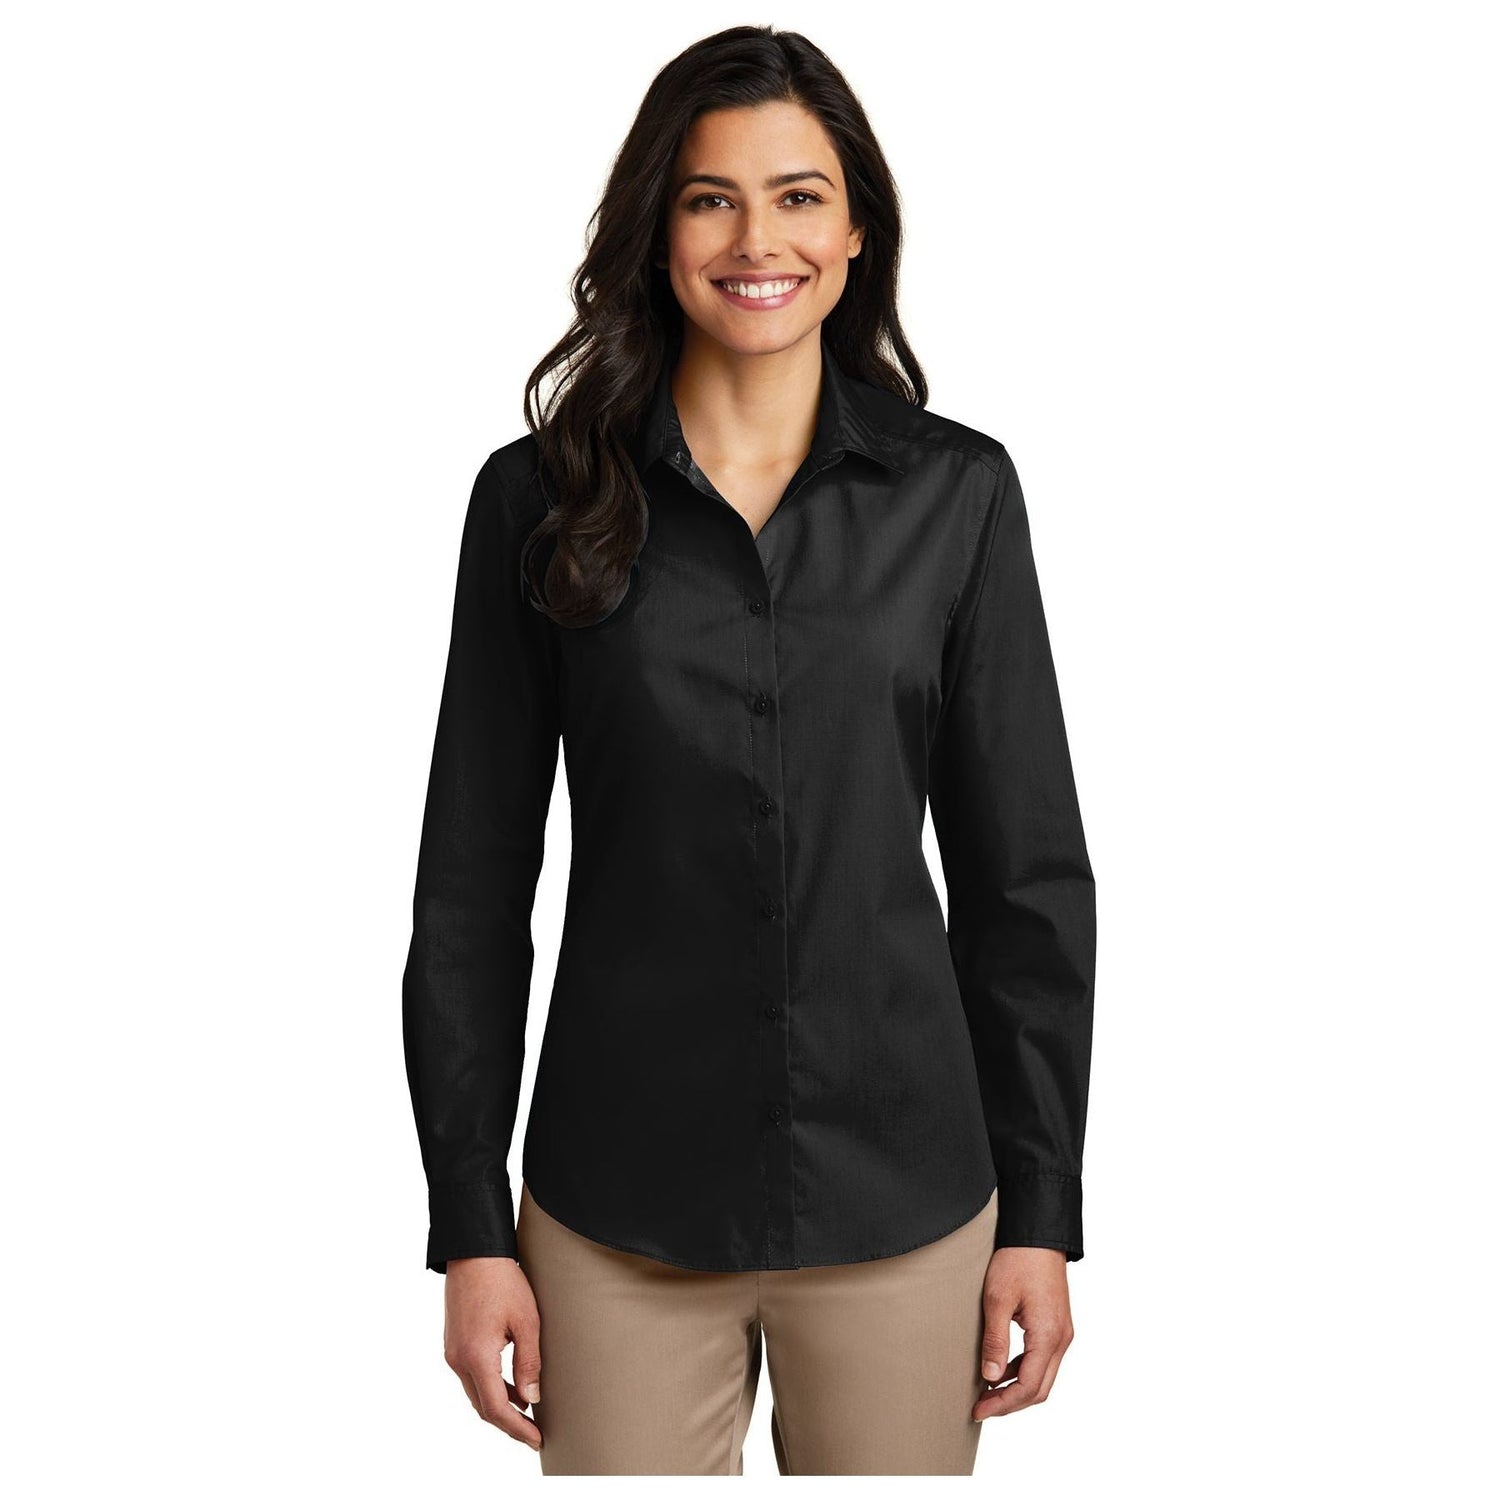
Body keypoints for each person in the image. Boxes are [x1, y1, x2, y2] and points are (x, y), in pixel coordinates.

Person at [401, 24, 1096, 1477]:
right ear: (657, 230)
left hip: (908, 1208)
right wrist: (471, 1225)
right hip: (615, 1211)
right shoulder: (535, 502)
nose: (755, 240)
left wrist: (1040, 1212)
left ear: (855, 231)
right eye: (711, 198)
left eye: (797, 196)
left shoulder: (958, 497)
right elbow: (469, 892)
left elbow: (1025, 882)